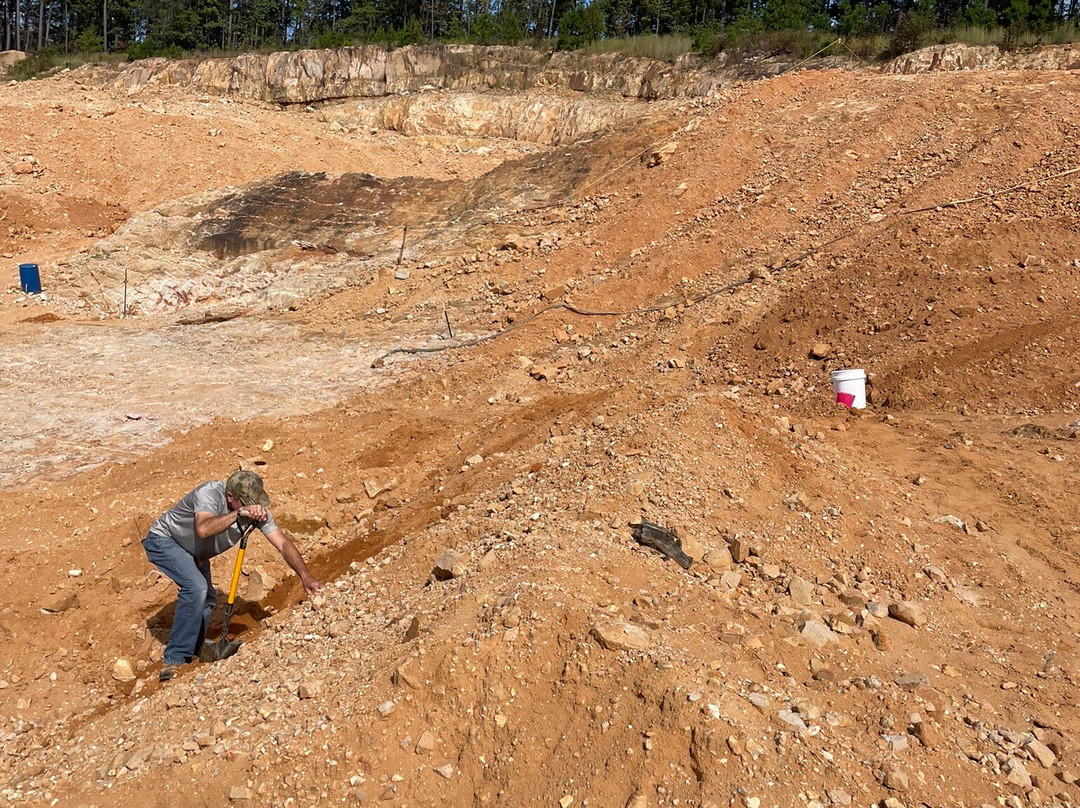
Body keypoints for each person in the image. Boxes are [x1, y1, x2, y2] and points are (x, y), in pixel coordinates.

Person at [143, 469, 324, 681]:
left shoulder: (255, 510)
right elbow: (203, 529)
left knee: (207, 598)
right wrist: (238, 514)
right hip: (165, 540)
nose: (254, 507)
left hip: (195, 552)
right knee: (196, 588)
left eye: (256, 502)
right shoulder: (209, 493)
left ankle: (194, 653)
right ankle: (174, 659)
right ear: (230, 496)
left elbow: (282, 544)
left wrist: (306, 577)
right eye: (247, 503)